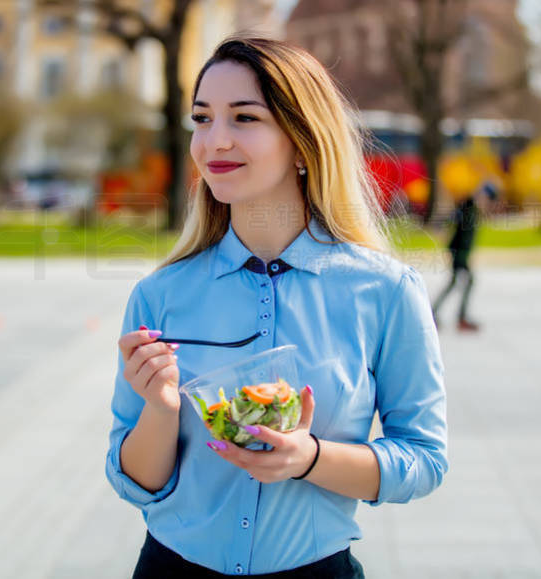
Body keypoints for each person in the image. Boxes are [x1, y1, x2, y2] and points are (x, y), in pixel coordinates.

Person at [106, 37, 448, 578]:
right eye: (202, 118)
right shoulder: (160, 295)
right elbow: (133, 481)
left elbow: (425, 460)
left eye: (244, 118)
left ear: (302, 138)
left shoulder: (385, 291)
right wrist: (162, 408)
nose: (214, 141)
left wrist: (309, 459)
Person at [430, 182, 498, 333]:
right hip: (458, 253)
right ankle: (457, 317)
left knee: (455, 282)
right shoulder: (468, 207)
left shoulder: (472, 208)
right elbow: (452, 221)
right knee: (465, 281)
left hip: (461, 253)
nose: (487, 204)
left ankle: (436, 313)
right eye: (488, 199)